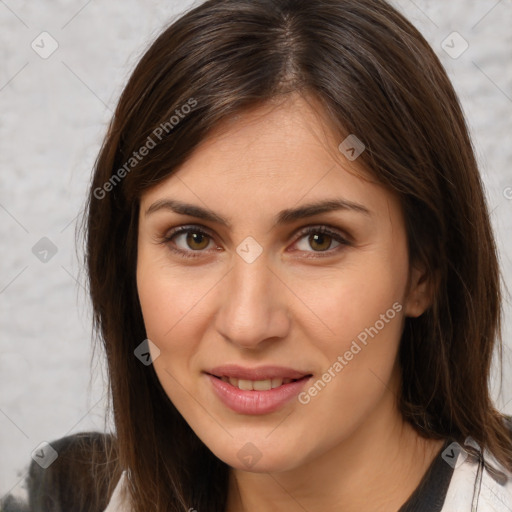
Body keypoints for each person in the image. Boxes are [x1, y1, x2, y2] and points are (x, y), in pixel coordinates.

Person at [81, 0, 512, 510]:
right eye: (193, 238)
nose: (247, 323)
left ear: (423, 270)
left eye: (319, 240)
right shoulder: (65, 490)